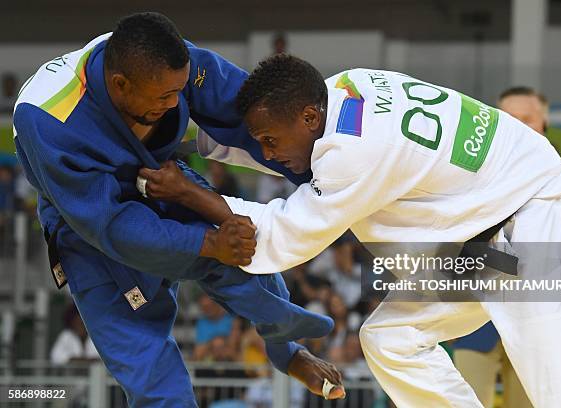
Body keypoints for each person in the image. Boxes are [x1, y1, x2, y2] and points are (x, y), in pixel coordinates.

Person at [142, 54, 561, 407]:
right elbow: (270, 144)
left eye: (270, 142)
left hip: (540, 220)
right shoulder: (347, 88)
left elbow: (284, 237)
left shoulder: (352, 152)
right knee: (392, 338)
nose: (267, 154)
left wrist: (187, 191)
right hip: (486, 244)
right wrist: (181, 138)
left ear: (308, 118)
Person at [12, 15, 345, 406]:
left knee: (245, 250)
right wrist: (208, 242)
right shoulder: (48, 121)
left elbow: (253, 114)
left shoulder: (172, 63)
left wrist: (325, 177)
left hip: (159, 176)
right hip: (86, 227)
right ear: (120, 86)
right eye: (163, 98)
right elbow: (114, 226)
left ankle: (286, 350)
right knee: (153, 375)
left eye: (179, 91)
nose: (175, 103)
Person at [451, 86, 548, 408]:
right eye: (509, 118)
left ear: (544, 122)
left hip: (536, 322)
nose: (518, 125)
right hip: (476, 318)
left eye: (527, 118)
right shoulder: (468, 175)